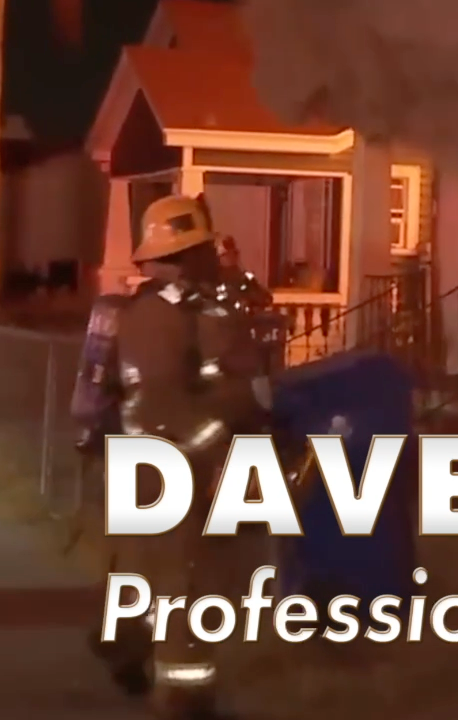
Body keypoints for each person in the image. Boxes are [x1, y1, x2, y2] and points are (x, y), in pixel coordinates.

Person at [87, 195, 273, 720]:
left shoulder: (198, 307)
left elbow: (224, 369)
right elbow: (159, 402)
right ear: (183, 254)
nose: (213, 255)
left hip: (176, 464)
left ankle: (123, 641)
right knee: (183, 583)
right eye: (203, 248)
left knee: (151, 574)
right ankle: (184, 697)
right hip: (167, 468)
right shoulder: (155, 315)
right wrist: (219, 450)